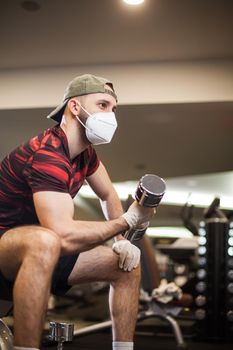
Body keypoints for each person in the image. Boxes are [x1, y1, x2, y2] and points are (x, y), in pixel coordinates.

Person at [0, 74, 155, 350]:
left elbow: (107, 194)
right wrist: (127, 221)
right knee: (44, 240)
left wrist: (121, 244)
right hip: (7, 247)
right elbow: (63, 236)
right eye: (103, 105)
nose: (112, 116)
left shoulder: (87, 155)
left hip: (46, 248)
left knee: (126, 268)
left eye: (114, 109)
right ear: (75, 107)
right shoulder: (47, 154)